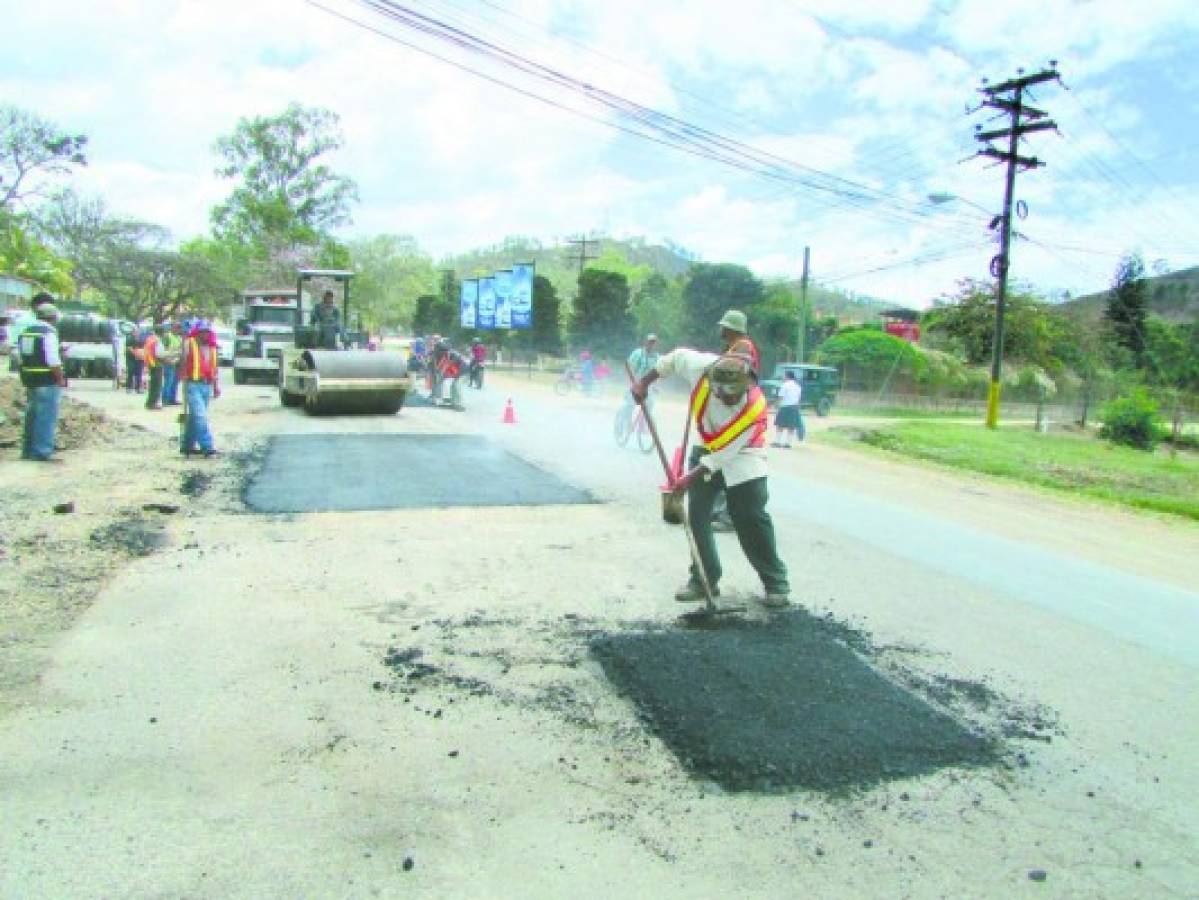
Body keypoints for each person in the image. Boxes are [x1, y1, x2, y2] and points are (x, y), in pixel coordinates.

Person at [632, 351, 791, 609]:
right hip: (705, 446)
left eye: (732, 394)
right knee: (697, 517)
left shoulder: (755, 407)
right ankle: (703, 579)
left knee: (750, 518)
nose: (725, 398)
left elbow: (725, 454)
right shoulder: (700, 367)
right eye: (721, 393)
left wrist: (687, 478)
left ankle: (775, 583)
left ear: (746, 384)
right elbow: (672, 359)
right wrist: (644, 382)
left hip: (744, 456)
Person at [18, 302, 66, 463]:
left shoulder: (26, 332)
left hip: (30, 379)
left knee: (32, 414)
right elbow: (53, 360)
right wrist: (60, 378)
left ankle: (27, 450)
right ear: (53, 318)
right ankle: (42, 451)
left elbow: (20, 356)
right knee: (46, 415)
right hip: (46, 379)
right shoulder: (48, 333)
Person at [178, 320, 221, 458]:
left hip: (206, 385)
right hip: (193, 385)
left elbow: (214, 369)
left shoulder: (212, 348)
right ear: (197, 333)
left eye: (207, 332)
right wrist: (182, 375)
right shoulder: (189, 343)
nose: (205, 335)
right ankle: (207, 447)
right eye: (202, 332)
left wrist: (216, 386)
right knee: (200, 416)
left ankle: (187, 445)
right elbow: (182, 361)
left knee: (194, 417)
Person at [621, 333, 660, 419]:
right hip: (634, 383)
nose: (651, 345)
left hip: (648, 386)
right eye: (650, 342)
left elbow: (658, 373)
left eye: (654, 343)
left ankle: (643, 426)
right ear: (646, 342)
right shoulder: (637, 353)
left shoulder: (657, 357)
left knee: (650, 404)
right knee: (629, 405)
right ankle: (624, 423)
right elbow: (629, 367)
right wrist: (631, 382)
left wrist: (656, 386)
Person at [772, 370, 804, 447]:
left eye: (784, 376)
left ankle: (777, 442)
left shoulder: (785, 385)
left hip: (785, 407)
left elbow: (781, 397)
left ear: (787, 377)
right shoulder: (798, 386)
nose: (783, 377)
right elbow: (798, 399)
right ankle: (788, 443)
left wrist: (776, 405)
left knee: (780, 425)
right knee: (791, 426)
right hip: (794, 407)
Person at [160, 321, 184, 406]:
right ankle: (165, 399)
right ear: (172, 328)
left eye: (179, 328)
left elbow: (181, 349)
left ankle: (172, 399)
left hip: (177, 362)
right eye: (176, 327)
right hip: (168, 362)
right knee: (168, 382)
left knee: (175, 382)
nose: (177, 329)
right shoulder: (167, 337)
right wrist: (166, 360)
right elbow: (163, 350)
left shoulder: (179, 338)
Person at [142, 325, 164, 409]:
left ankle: (149, 402)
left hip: (150, 363)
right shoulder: (157, 340)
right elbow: (159, 354)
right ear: (162, 332)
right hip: (156, 364)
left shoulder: (150, 339)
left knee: (152, 385)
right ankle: (152, 403)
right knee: (156, 385)